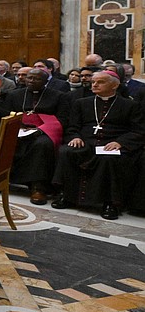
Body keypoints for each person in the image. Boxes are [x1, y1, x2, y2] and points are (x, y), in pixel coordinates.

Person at [51, 71, 143, 220]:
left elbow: (138, 130)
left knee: (109, 159)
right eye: (93, 81)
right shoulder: (81, 103)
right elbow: (72, 126)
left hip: (113, 143)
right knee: (66, 151)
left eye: (100, 82)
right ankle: (67, 196)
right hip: (86, 142)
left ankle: (111, 203)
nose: (94, 84)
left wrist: (120, 142)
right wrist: (75, 136)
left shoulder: (130, 105)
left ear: (115, 85)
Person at [7, 67, 68, 204]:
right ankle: (1, 180)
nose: (31, 81)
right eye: (29, 78)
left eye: (36, 78)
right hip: (19, 128)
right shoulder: (14, 95)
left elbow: (63, 118)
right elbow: (7, 113)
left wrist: (41, 130)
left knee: (42, 145)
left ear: (46, 81)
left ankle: (38, 187)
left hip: (45, 130)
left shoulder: (58, 96)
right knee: (4, 140)